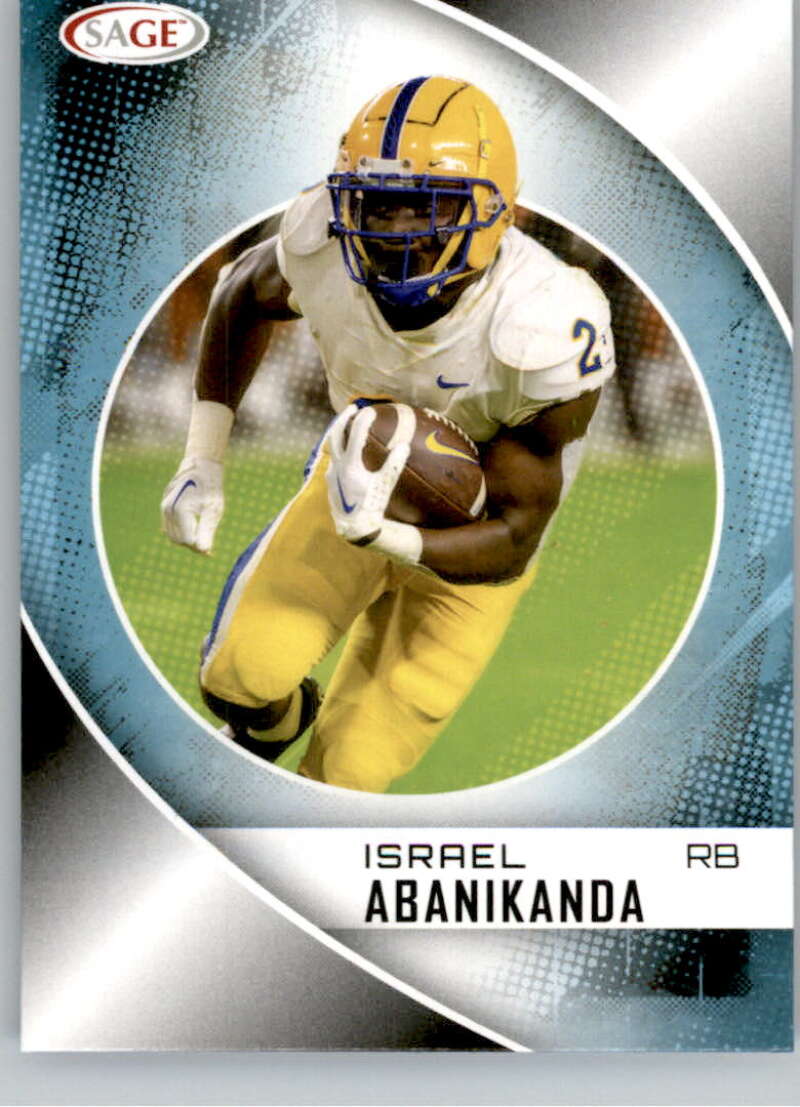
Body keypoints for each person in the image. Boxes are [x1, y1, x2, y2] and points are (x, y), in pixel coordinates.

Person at [160, 76, 615, 792]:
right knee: (238, 678)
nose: (398, 230)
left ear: (496, 209)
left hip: (479, 540)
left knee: (347, 776)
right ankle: (274, 726)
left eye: (429, 207)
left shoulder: (547, 318)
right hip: (355, 475)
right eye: (378, 204)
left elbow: (515, 534)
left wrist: (389, 539)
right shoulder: (319, 241)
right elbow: (240, 291)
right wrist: (202, 458)